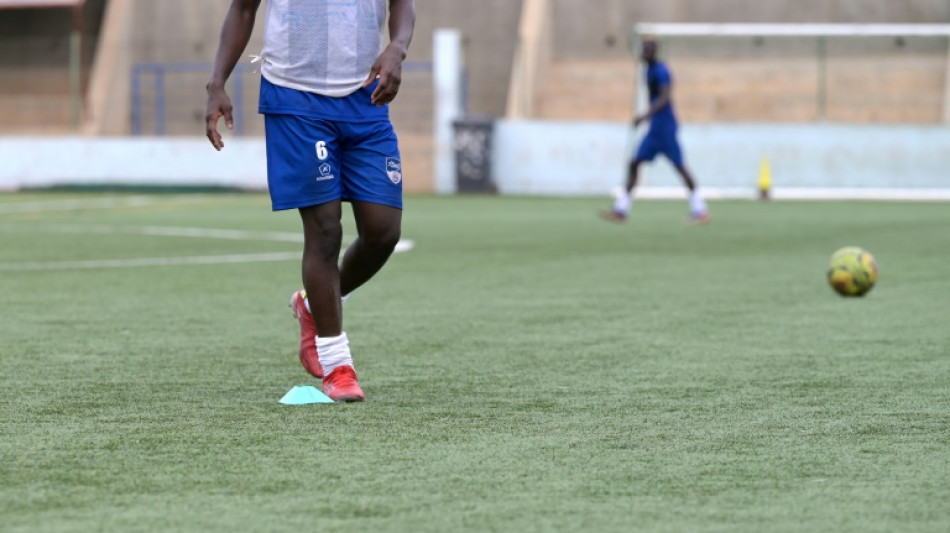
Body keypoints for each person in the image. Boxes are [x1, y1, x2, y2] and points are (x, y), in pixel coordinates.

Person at [206, 0, 415, 402]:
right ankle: (337, 364)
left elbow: (402, 5)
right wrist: (217, 82)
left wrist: (397, 47)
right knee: (324, 230)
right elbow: (244, 8)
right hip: (295, 98)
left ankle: (311, 305)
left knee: (383, 231)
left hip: (365, 95)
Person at [602, 38, 709, 223]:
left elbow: (665, 97)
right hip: (655, 129)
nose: (643, 53)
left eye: (647, 50)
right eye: (643, 49)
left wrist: (645, 115)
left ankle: (700, 209)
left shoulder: (661, 70)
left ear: (654, 52)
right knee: (634, 163)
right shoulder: (648, 70)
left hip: (665, 128)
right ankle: (621, 209)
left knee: (680, 166)